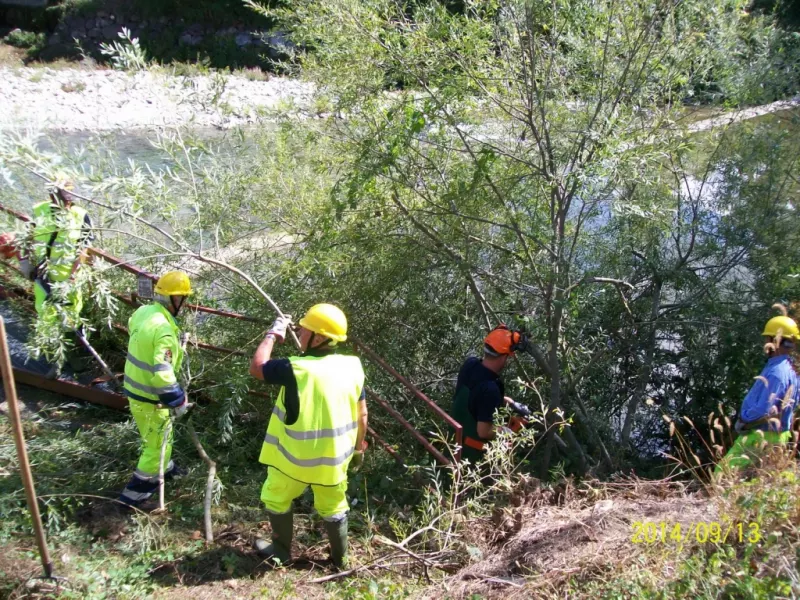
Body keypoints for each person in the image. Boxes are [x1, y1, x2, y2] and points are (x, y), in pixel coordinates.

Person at [249, 303, 367, 569]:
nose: (300, 332)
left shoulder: (295, 368)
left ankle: (280, 554)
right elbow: (362, 414)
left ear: (320, 337)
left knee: (276, 497)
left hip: (293, 461)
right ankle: (341, 559)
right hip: (333, 463)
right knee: (334, 505)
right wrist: (359, 449)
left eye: (305, 329)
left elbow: (257, 367)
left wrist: (273, 334)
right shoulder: (353, 366)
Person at [118, 271, 192, 508]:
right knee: (157, 445)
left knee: (156, 436)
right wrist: (178, 401)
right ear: (175, 299)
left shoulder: (143, 312)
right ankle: (133, 498)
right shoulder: (165, 331)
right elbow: (162, 375)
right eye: (184, 299)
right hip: (151, 398)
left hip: (134, 389)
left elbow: (133, 330)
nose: (185, 304)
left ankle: (166, 468)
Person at [716, 312, 800, 474]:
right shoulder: (791, 370)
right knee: (759, 481)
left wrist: (744, 422)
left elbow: (765, 409)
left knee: (724, 475)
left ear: (775, 340)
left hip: (761, 435)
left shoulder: (776, 372)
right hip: (778, 435)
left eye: (767, 338)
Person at [450, 324, 528, 464]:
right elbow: (484, 432)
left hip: (453, 441)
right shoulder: (490, 389)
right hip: (471, 457)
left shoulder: (471, 364)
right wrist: (509, 431)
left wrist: (509, 402)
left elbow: (475, 396)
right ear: (504, 358)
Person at [26, 179, 94, 330]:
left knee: (72, 317)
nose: (67, 200)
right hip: (44, 277)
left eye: (70, 195)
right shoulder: (38, 211)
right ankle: (48, 349)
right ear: (52, 195)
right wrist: (28, 266)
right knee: (46, 318)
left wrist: (73, 275)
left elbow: (84, 248)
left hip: (70, 279)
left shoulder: (81, 215)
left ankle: (72, 346)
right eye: (64, 196)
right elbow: (26, 239)